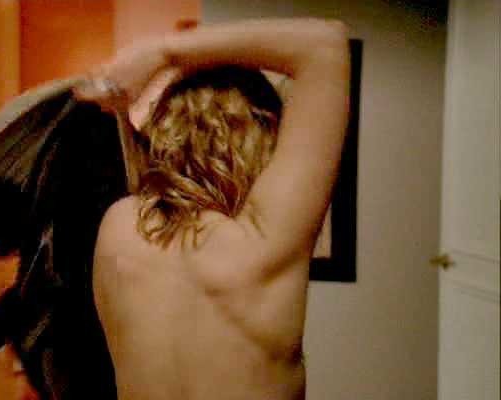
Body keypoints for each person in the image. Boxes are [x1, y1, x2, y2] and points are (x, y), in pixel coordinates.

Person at [81, 18, 350, 400]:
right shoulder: (264, 242)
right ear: (262, 141)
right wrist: (161, 53)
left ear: (167, 131)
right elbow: (324, 45)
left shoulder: (118, 230)